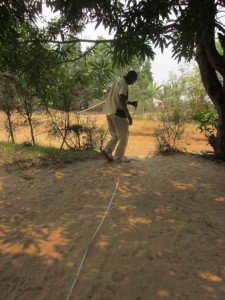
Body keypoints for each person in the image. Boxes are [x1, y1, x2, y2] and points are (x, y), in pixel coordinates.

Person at [101, 70, 138, 163]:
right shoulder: (124, 83)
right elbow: (121, 100)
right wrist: (128, 116)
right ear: (130, 77)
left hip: (109, 111)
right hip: (117, 113)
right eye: (133, 80)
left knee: (115, 135)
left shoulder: (117, 81)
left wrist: (130, 102)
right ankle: (118, 158)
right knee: (123, 137)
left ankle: (107, 150)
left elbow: (118, 98)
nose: (132, 83)